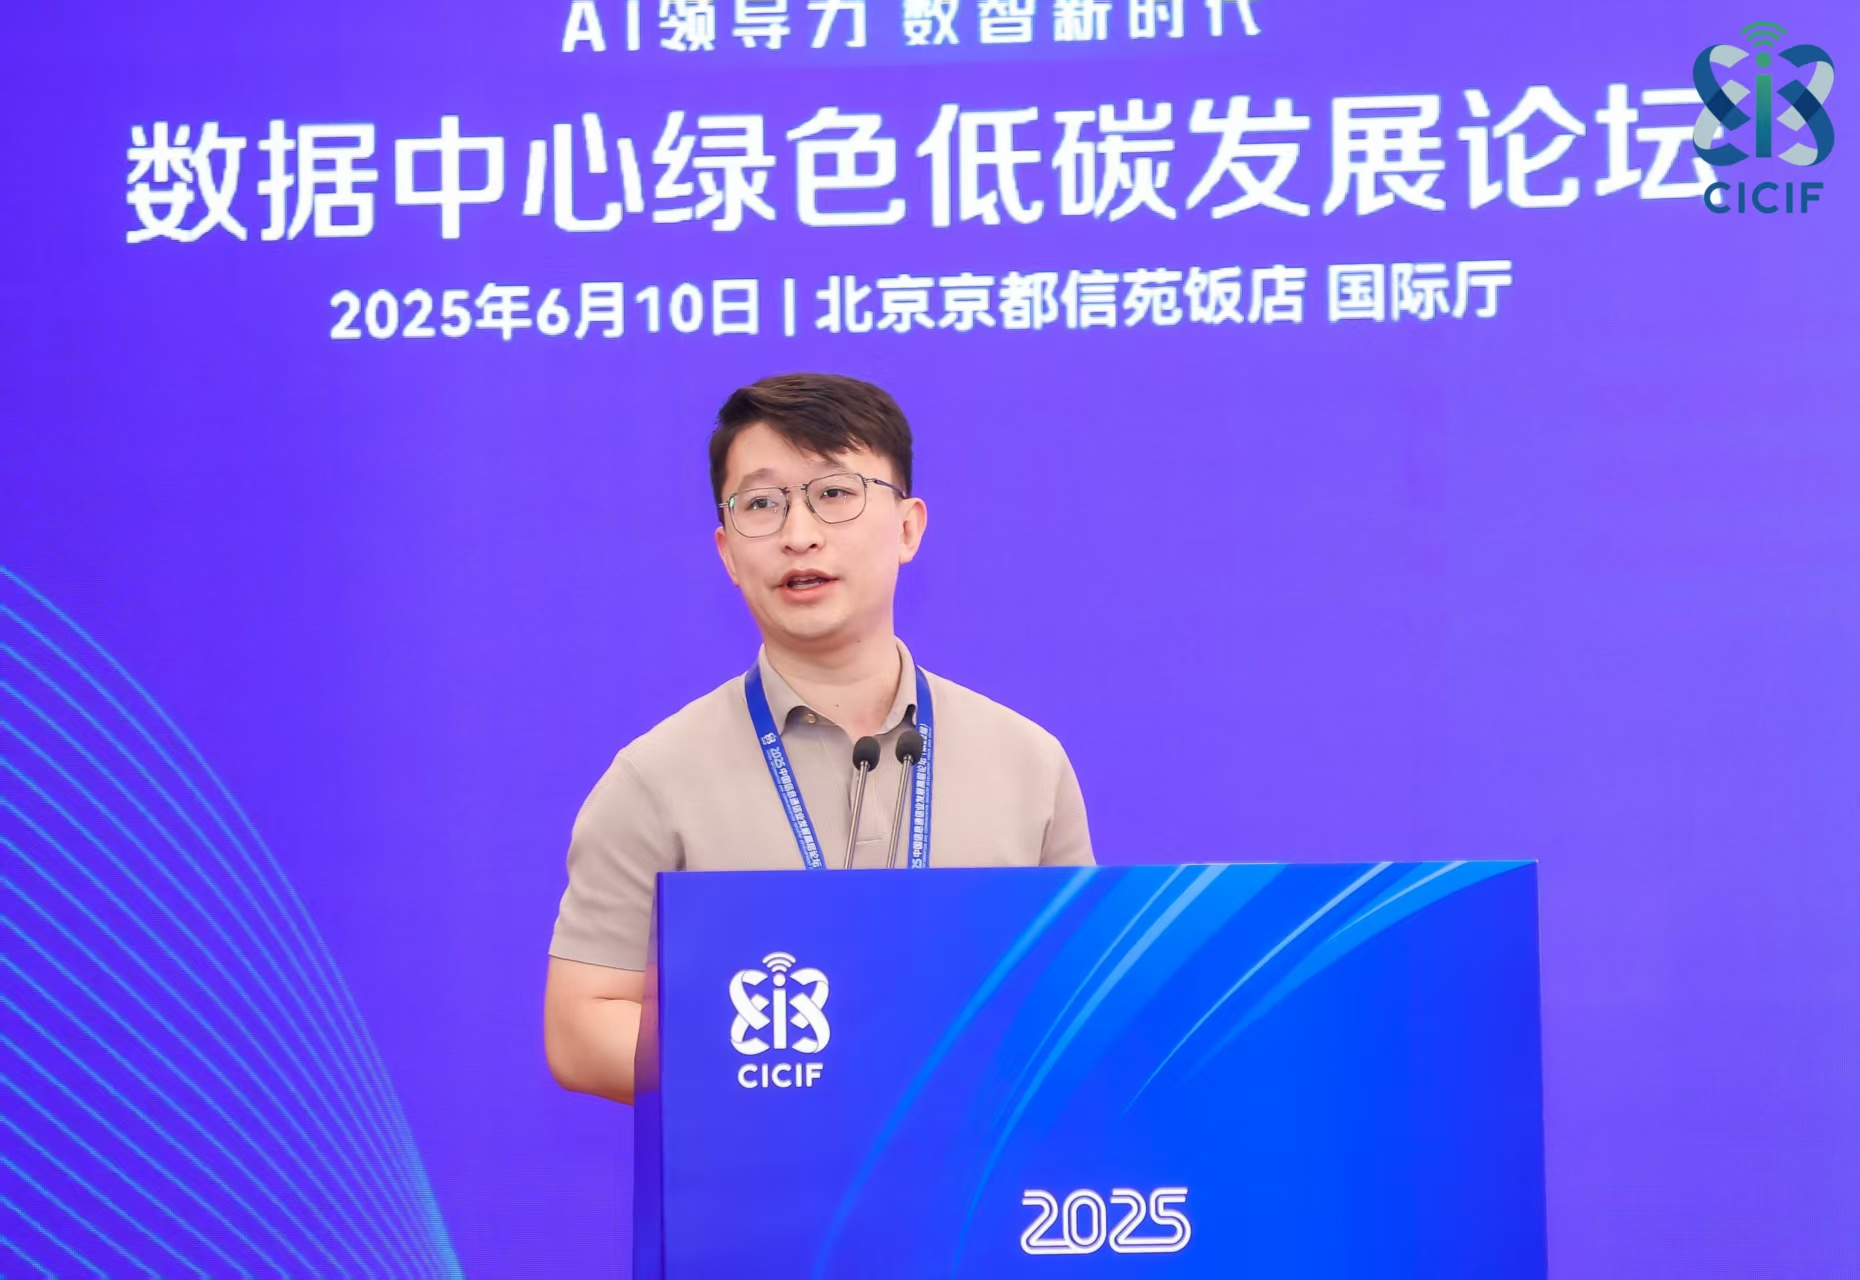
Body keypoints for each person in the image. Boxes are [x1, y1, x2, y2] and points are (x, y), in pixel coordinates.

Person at [543, 373, 1094, 1104]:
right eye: (761, 505)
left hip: (971, 1172)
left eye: (834, 493)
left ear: (908, 528)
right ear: (727, 552)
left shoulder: (1026, 763)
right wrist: (789, 1069)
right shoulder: (655, 779)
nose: (798, 534)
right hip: (753, 1172)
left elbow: (1074, 1008)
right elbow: (581, 1028)